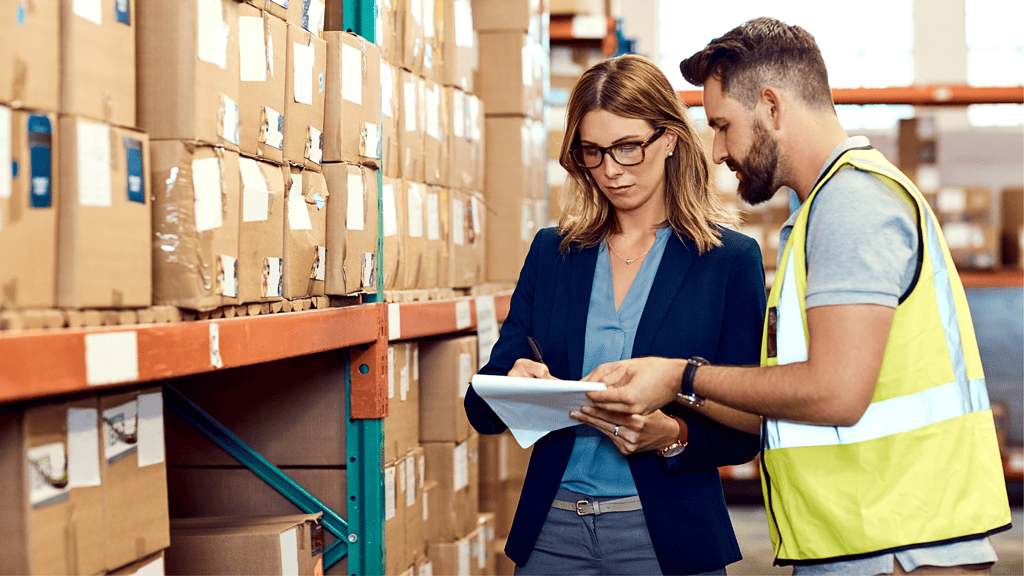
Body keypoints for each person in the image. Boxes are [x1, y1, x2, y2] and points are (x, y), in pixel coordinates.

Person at [584, 17, 1013, 575]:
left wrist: (681, 377)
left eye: (722, 125)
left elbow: (835, 393)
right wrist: (665, 386)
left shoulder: (851, 205)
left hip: (901, 545)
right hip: (871, 535)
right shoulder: (822, 211)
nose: (716, 151)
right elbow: (786, 407)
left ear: (771, 107)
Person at [463, 54, 767, 575]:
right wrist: (516, 382)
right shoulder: (554, 254)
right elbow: (481, 406)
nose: (610, 169)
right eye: (592, 152)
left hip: (669, 536)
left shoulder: (728, 261)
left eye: (628, 147)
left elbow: (749, 425)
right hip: (551, 535)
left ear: (669, 138)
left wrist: (670, 434)